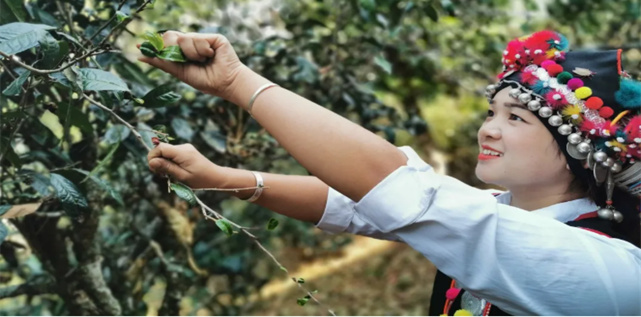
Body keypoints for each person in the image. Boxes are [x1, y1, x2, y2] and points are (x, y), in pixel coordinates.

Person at [140, 30, 641, 316]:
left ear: (582, 150)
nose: (489, 129)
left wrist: (236, 82)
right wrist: (220, 177)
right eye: (492, 112)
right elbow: (353, 206)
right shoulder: (502, 212)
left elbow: (407, 194)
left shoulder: (607, 267)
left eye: (517, 118)